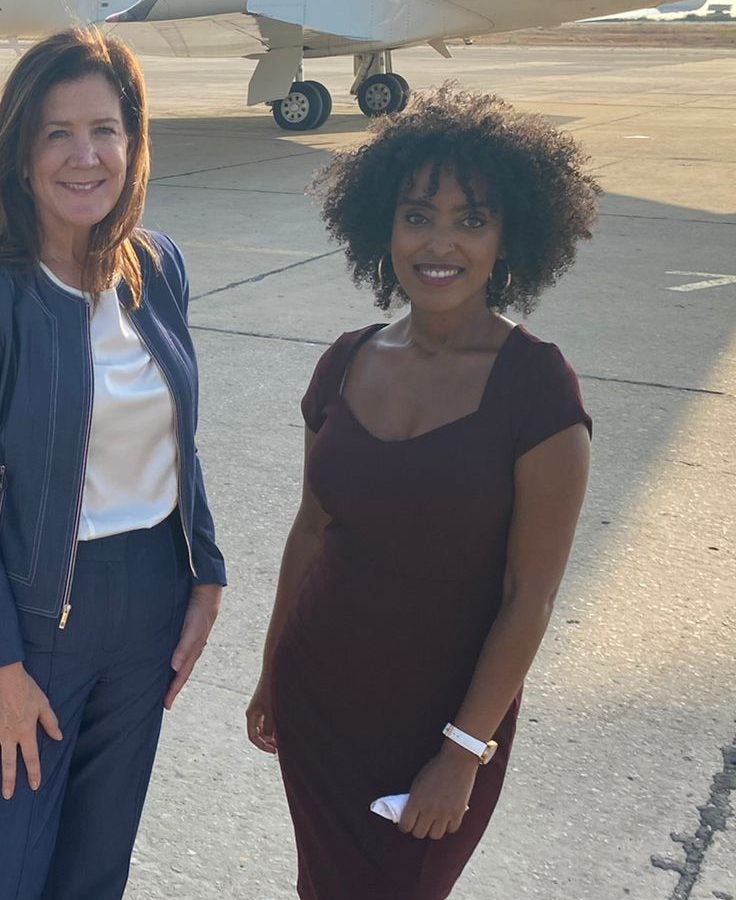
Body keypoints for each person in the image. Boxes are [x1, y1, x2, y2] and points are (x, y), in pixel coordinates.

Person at [245, 88, 599, 899]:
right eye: (417, 216)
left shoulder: (537, 388)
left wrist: (462, 752)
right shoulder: (343, 361)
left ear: (510, 237)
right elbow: (311, 532)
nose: (440, 242)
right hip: (321, 698)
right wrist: (272, 674)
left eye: (471, 220)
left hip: (442, 722)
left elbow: (528, 598)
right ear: (384, 226)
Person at [0, 28, 228, 899]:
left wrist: (206, 571)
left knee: (94, 873)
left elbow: (178, 438)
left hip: (150, 606)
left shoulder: (158, 267)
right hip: (34, 615)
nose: (85, 156)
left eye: (105, 130)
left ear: (134, 143)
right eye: (57, 133)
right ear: (20, 153)